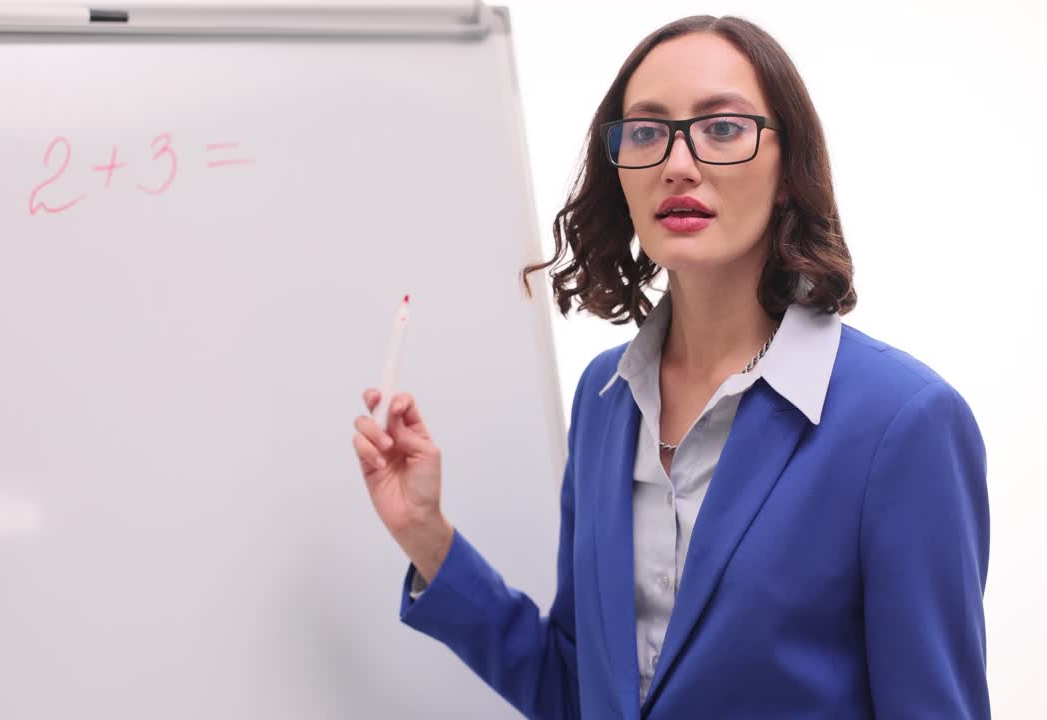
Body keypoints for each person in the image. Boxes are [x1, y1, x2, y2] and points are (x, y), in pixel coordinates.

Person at [350, 14, 989, 720]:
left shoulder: (903, 423)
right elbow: (582, 693)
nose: (677, 164)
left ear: (788, 171)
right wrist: (429, 538)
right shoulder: (605, 399)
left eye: (723, 128)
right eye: (646, 132)